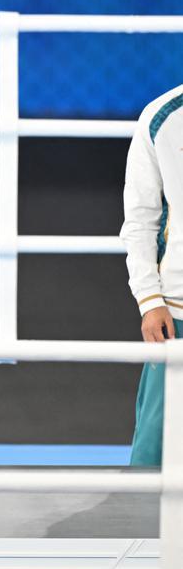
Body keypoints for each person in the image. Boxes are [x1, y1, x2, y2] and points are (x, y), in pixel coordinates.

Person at [120, 84, 183, 466]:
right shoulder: (163, 116)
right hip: (177, 310)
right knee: (154, 451)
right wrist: (149, 300)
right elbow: (140, 217)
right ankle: (145, 527)